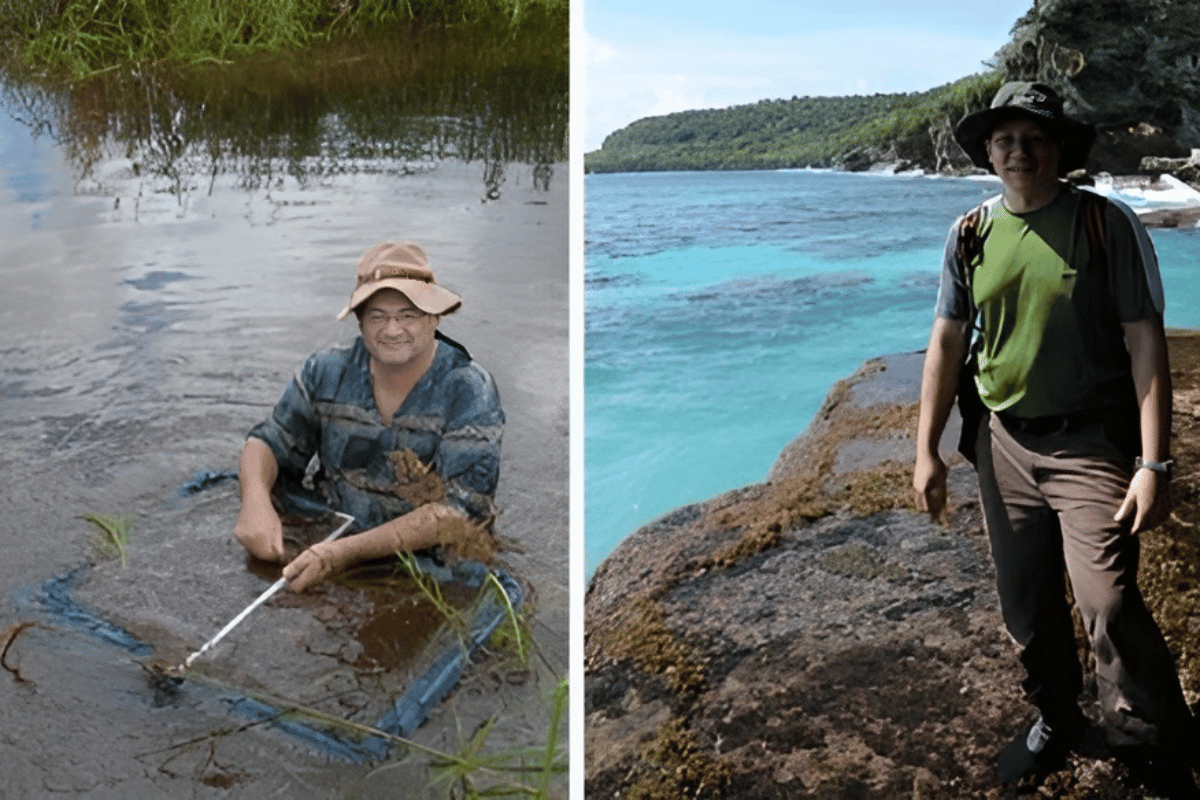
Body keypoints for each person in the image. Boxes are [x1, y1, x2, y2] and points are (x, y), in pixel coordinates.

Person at [912, 83, 1197, 790]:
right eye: (1005, 140)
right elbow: (947, 341)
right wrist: (928, 450)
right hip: (1001, 442)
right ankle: (1055, 717)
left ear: (1061, 149)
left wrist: (1154, 463)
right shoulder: (970, 234)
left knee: (1107, 600)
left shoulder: (1105, 225)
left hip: (1089, 444)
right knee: (1026, 601)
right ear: (987, 151)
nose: (1019, 152)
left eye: (1035, 138)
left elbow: (1144, 343)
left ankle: (1149, 740)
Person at [233, 240, 504, 593]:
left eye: (408, 316)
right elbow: (267, 443)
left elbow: (458, 512)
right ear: (360, 321)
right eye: (378, 316)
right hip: (334, 523)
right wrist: (254, 503)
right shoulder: (325, 370)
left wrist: (343, 554)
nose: (392, 330)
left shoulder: (468, 388)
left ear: (434, 318)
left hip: (417, 550)